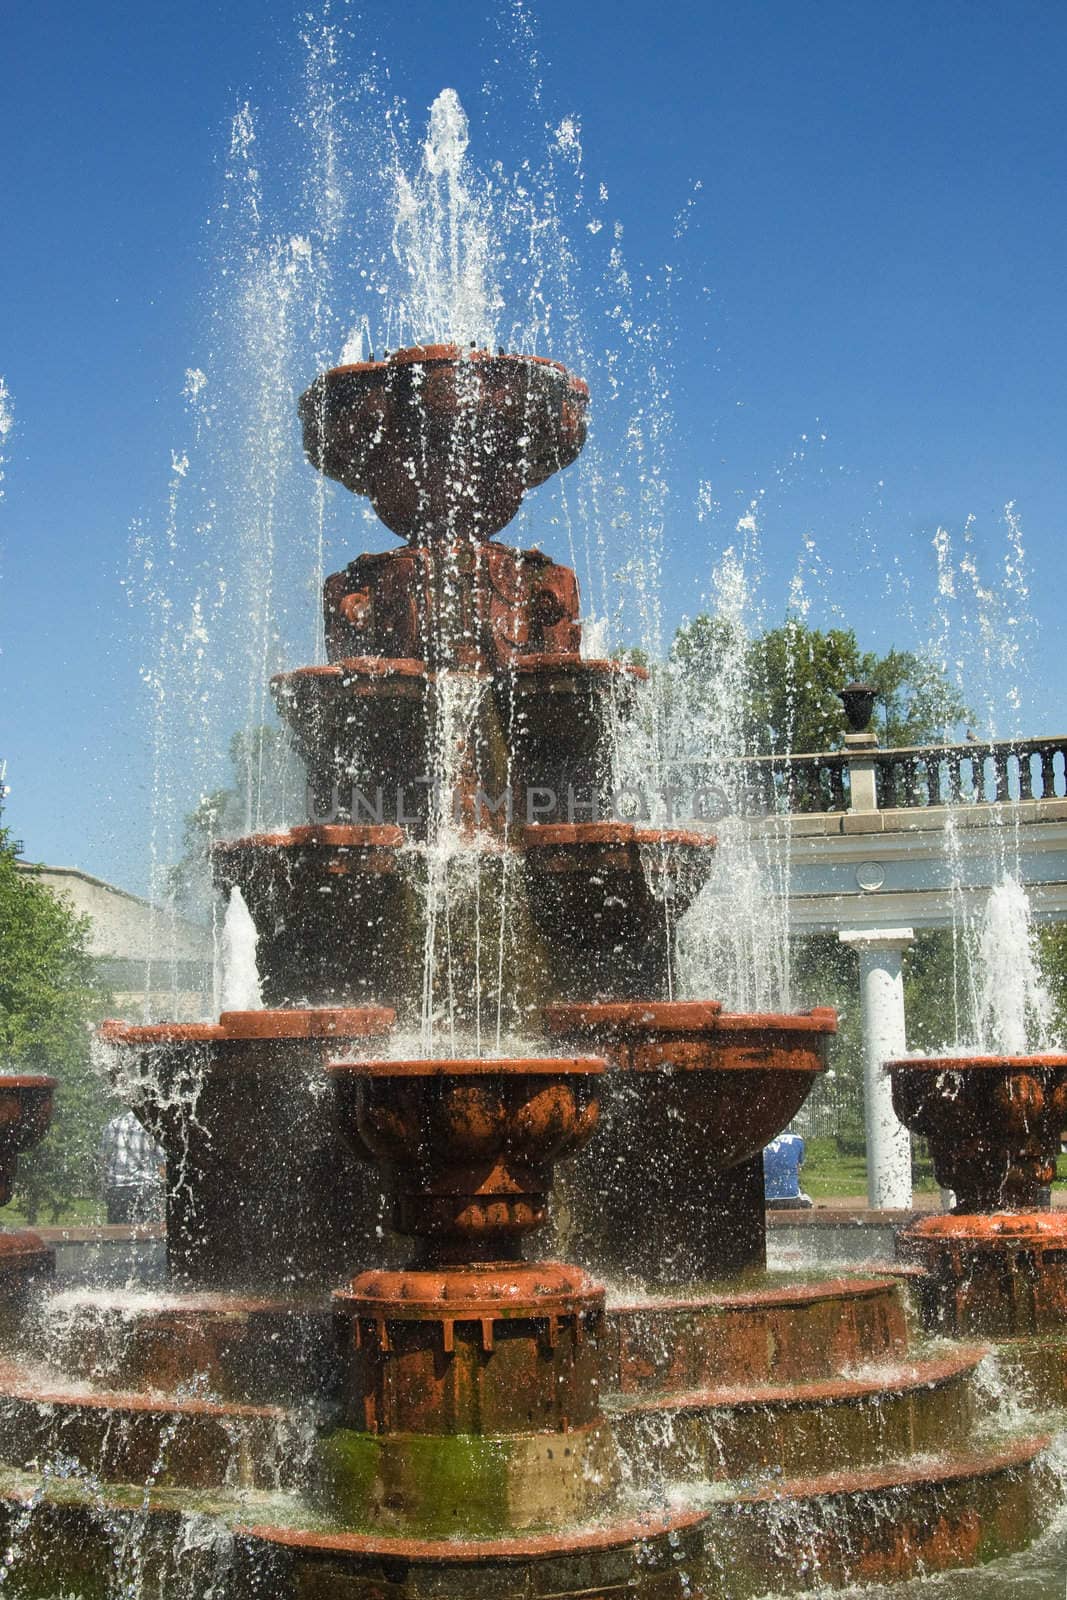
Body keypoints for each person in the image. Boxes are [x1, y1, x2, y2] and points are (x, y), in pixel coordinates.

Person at [100, 1110, 165, 1225]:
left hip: (117, 1189)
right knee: (149, 1235)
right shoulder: (151, 1126)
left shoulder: (114, 1125)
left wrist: (106, 1188)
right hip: (145, 1189)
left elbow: (104, 1160)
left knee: (118, 1237)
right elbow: (162, 1164)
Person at [763, 1132, 812, 1209]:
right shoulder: (797, 1139)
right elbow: (798, 1167)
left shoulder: (761, 1139)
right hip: (791, 1199)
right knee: (807, 1201)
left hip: (764, 1200)